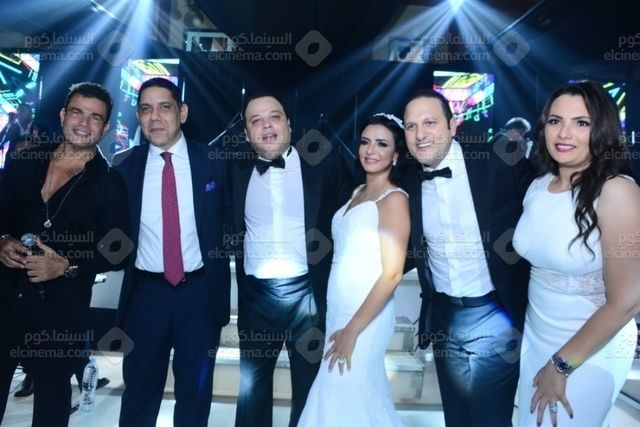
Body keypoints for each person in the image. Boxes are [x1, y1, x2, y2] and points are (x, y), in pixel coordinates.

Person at [402, 89, 535, 427]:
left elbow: (548, 200)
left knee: (490, 419)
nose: (420, 134)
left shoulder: (498, 162)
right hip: (444, 318)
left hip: (495, 314)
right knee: (457, 418)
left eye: (430, 123)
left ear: (452, 125)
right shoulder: (407, 178)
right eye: (411, 126)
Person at [0, 82, 129, 427]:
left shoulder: (110, 183)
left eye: (95, 117)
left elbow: (119, 251)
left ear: (105, 127)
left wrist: (67, 265)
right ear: (62, 115)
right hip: (6, 297)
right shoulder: (25, 160)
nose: (84, 123)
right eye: (77, 112)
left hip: (61, 311)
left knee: (51, 406)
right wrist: (2, 239)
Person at [514, 81, 640, 426]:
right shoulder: (538, 187)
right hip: (535, 338)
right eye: (555, 121)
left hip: (591, 347)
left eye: (581, 123)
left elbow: (628, 302)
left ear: (602, 129)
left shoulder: (617, 192)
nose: (564, 133)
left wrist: (561, 365)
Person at [229, 92, 352, 427]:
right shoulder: (234, 169)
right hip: (257, 297)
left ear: (289, 124)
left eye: (274, 117)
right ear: (246, 133)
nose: (267, 126)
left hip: (307, 295)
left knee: (309, 387)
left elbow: (352, 217)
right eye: (256, 120)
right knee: (251, 390)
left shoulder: (325, 165)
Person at [113, 77, 230, 427]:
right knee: (139, 391)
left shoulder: (214, 161)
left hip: (200, 294)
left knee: (195, 393)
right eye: (145, 109)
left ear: (183, 112)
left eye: (164, 107)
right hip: (145, 296)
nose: (155, 117)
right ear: (138, 116)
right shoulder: (124, 166)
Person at [298, 113, 410, 426]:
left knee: (346, 388)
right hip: (339, 310)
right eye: (365, 142)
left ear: (396, 154)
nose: (370, 150)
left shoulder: (394, 200)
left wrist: (352, 329)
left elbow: (392, 273)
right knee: (345, 395)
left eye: (382, 144)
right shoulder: (356, 192)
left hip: (365, 317)